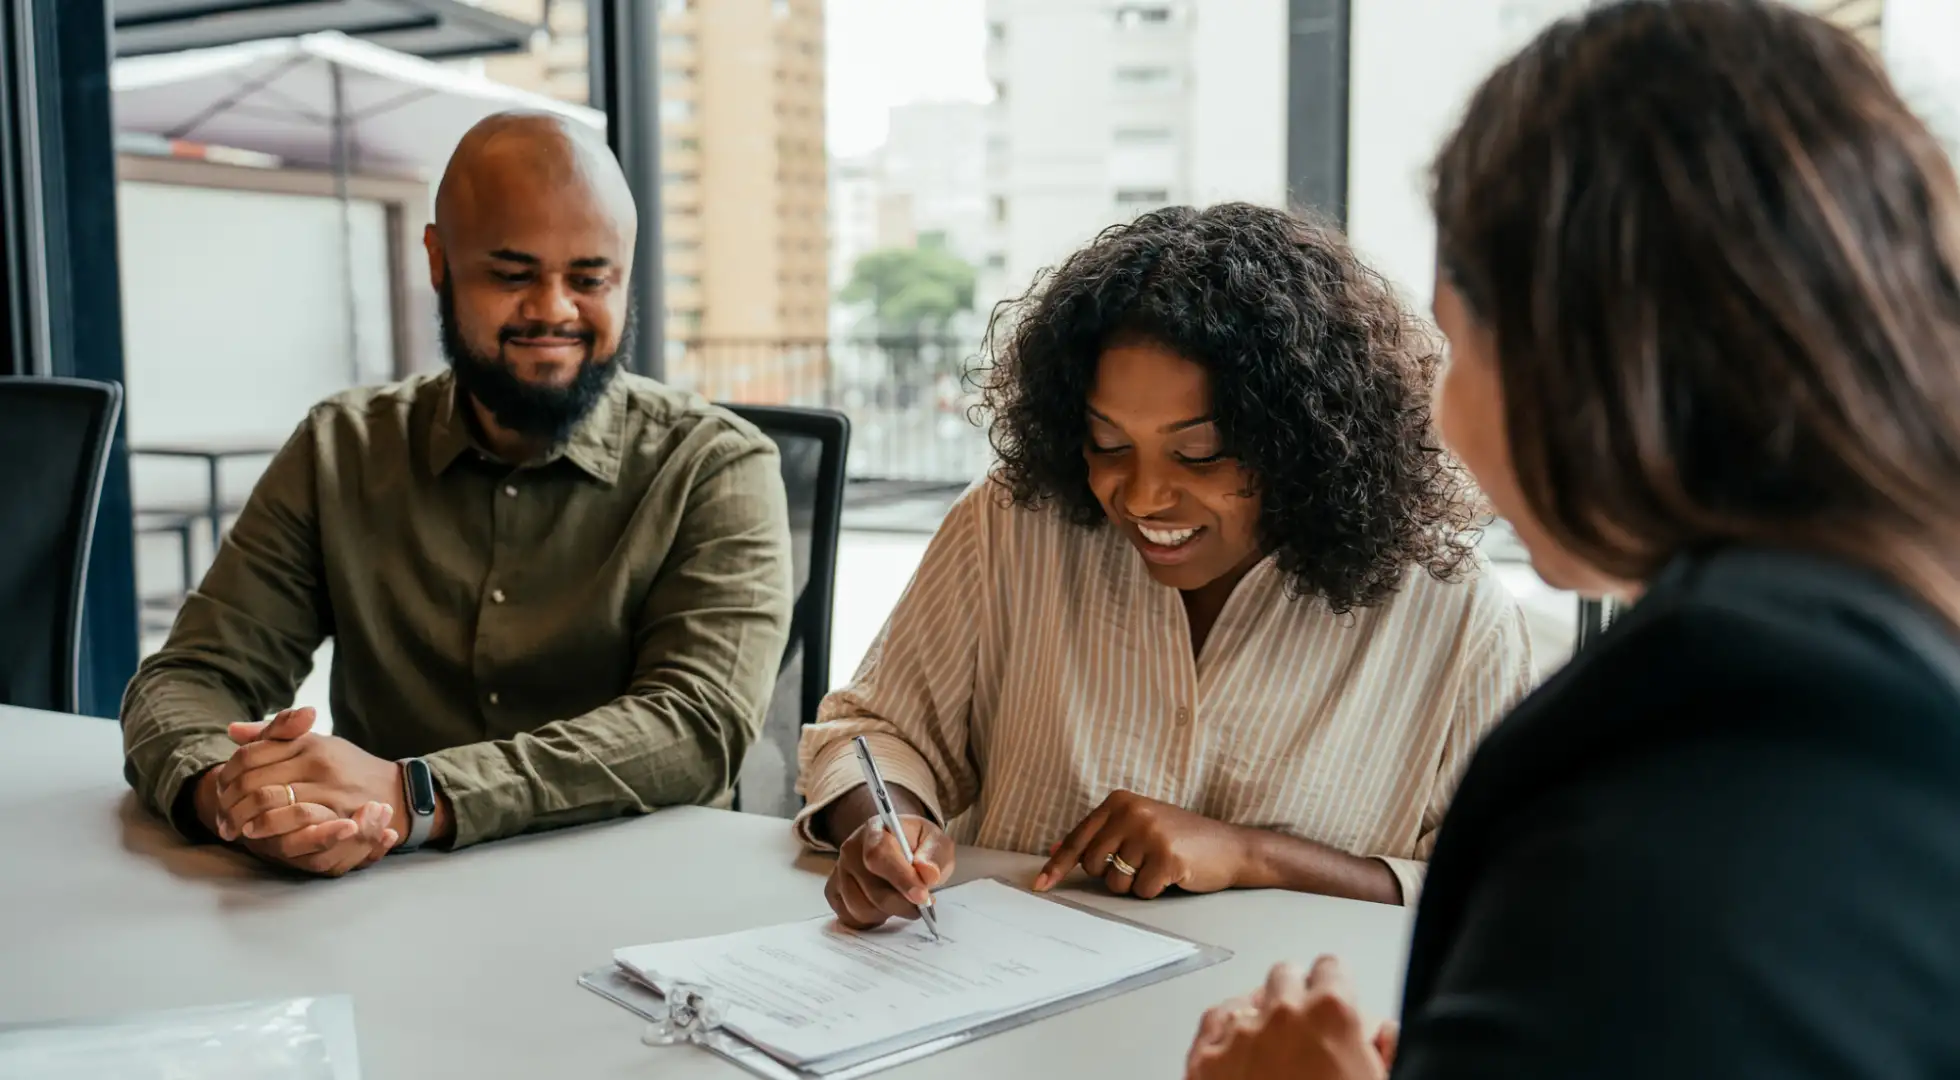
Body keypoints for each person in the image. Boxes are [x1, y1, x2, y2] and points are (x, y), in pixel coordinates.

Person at [1185, 2, 1960, 1077]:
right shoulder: (1885, 672)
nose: (1443, 421)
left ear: (1572, 360)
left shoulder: (1663, 768)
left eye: (1455, 348)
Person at [796, 203, 1534, 928]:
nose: (1143, 495)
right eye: (1108, 444)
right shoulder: (1010, 527)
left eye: (1199, 452)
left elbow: (1508, 891)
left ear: (1305, 443)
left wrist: (1255, 857)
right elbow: (874, 730)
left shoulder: (1453, 613)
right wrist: (886, 826)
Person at [120, 111, 794, 876]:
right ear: (439, 261)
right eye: (512, 275)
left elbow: (696, 727)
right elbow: (193, 676)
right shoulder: (341, 448)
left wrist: (417, 796)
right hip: (384, 895)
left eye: (589, 278)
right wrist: (232, 796)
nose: (554, 309)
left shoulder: (716, 465)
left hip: (641, 907)